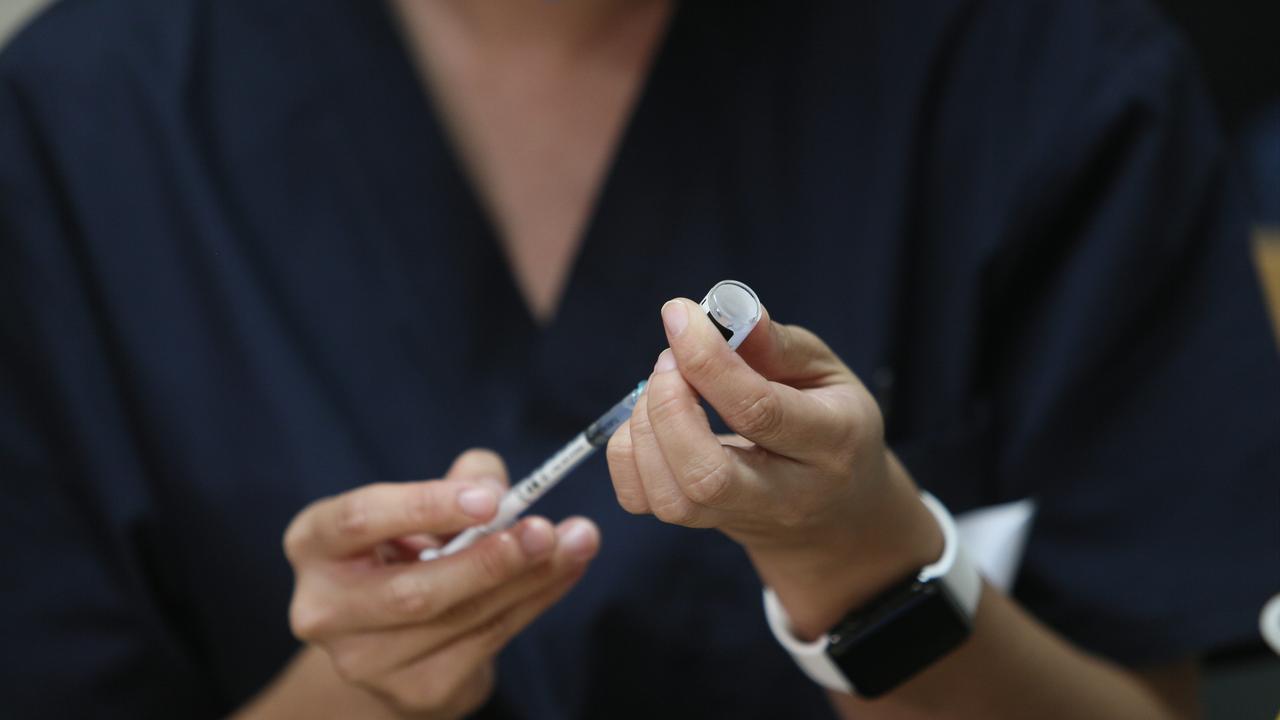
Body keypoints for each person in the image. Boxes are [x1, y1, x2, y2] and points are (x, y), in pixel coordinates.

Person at [1, 0, 1276, 718]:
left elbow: (1154, 699)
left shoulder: (1040, 78)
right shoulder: (85, 125)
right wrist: (364, 687)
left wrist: (865, 561)